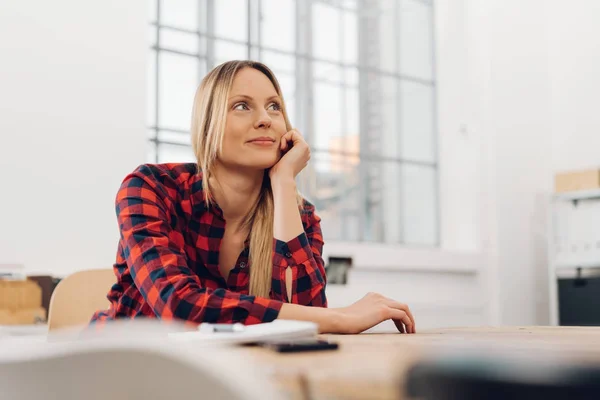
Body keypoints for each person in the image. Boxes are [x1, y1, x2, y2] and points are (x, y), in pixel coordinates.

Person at [91, 60, 416, 334]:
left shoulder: (298, 216)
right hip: (121, 372)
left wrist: (284, 181)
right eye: (242, 106)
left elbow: (305, 321)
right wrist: (341, 317)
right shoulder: (151, 188)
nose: (265, 119)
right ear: (208, 125)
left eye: (274, 106)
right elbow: (180, 306)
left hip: (226, 377)